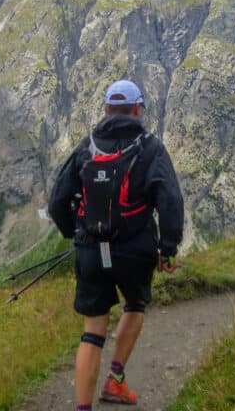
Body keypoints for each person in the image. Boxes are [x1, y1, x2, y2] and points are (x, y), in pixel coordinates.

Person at [48, 80, 184, 410]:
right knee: (135, 305)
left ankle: (83, 408)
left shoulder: (87, 146)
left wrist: (76, 234)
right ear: (138, 110)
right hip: (135, 249)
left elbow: (57, 202)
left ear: (106, 109)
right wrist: (167, 248)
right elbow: (170, 200)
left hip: (90, 250)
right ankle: (115, 381)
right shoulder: (151, 147)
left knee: (92, 331)